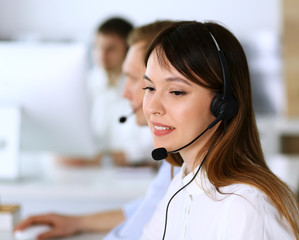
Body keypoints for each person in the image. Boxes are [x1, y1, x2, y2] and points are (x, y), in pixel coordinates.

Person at [140, 21, 299, 239]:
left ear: (223, 105)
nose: (152, 107)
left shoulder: (247, 207)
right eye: (150, 88)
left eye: (177, 92)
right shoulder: (182, 183)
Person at [14, 21, 179, 240]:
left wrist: (99, 159)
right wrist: (77, 222)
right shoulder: (177, 165)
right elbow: (148, 207)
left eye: (134, 79)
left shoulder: (186, 166)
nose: (125, 93)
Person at [58, 17, 152, 167]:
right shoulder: (84, 85)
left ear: (128, 50)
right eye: (97, 47)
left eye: (111, 49)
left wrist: (100, 159)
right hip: (92, 174)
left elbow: (148, 149)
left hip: (130, 177)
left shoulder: (143, 87)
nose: (102, 55)